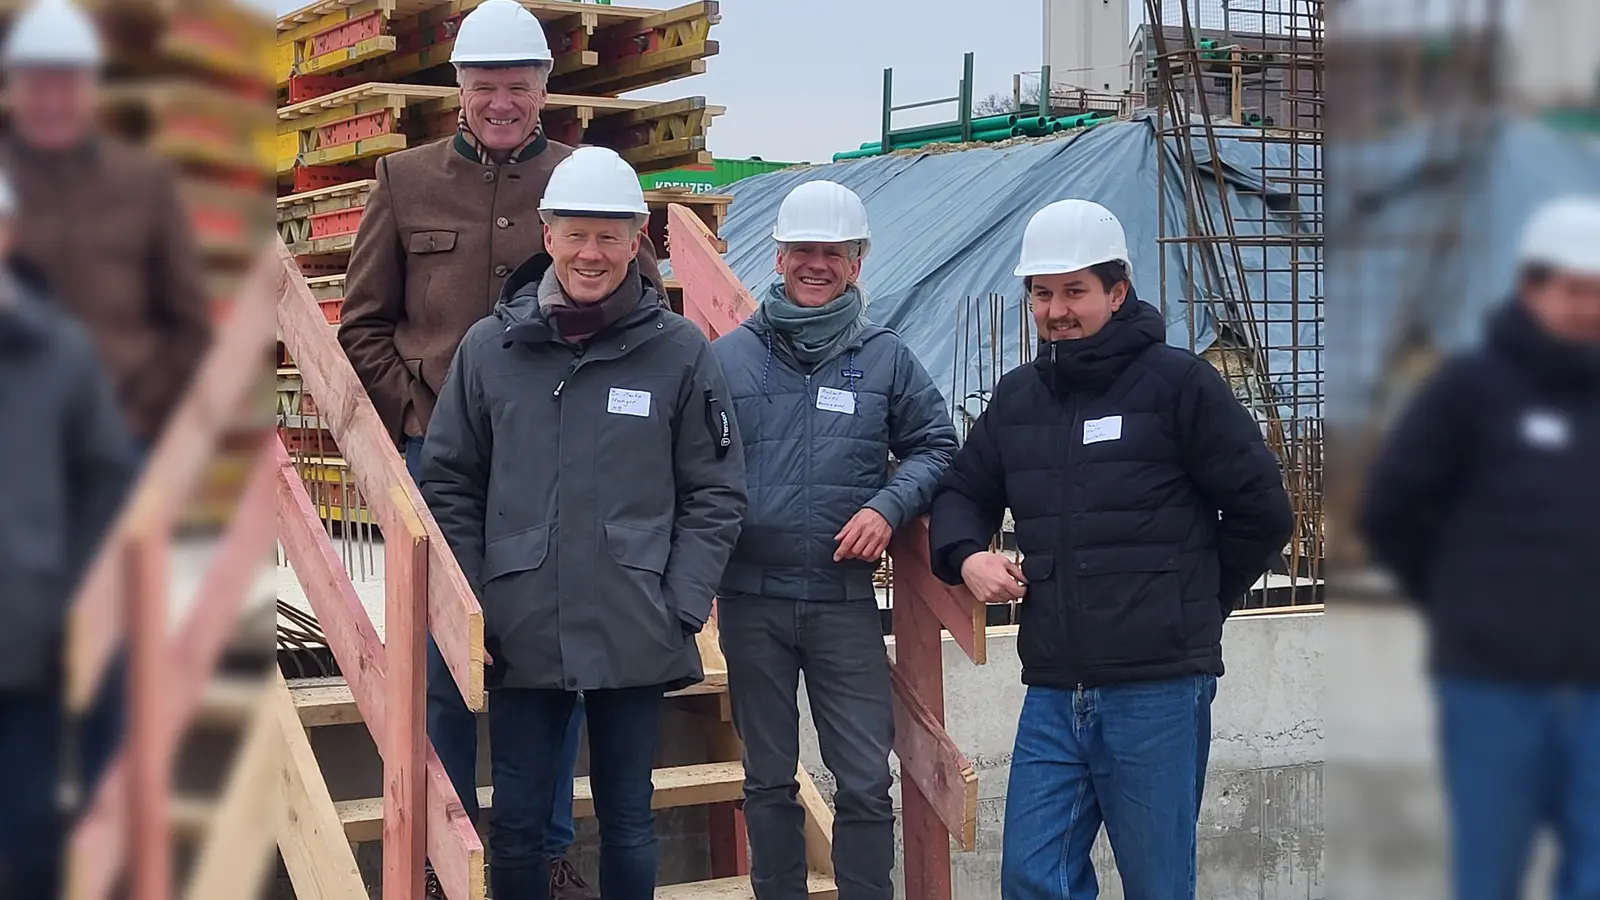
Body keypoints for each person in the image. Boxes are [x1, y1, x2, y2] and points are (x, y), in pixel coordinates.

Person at [337, 3, 662, 893]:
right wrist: (419, 418)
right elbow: (362, 326)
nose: (502, 103)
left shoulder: (582, 179)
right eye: (486, 87)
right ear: (461, 91)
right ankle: (448, 853)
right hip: (438, 465)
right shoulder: (403, 180)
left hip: (554, 472)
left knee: (547, 657)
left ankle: (547, 850)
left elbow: (650, 317)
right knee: (446, 665)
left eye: (519, 87)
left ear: (545, 90)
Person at [928, 199, 1294, 900]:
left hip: (1156, 690)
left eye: (1075, 291)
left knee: (1157, 882)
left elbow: (1263, 509)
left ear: (1117, 291)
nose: (1057, 310)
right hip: (1056, 690)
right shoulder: (1019, 400)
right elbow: (959, 493)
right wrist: (968, 556)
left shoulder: (1178, 385)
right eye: (1043, 293)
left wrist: (1196, 601)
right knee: (1034, 878)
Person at [419, 145, 745, 900]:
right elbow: (449, 483)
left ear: (639, 240)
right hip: (519, 624)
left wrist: (682, 604)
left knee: (631, 818)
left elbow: (716, 490)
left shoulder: (679, 353)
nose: (590, 253)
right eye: (575, 233)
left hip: (638, 621)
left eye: (609, 235)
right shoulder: (490, 350)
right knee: (521, 826)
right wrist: (475, 605)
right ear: (546, 233)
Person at [710, 180, 957, 900]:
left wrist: (888, 506)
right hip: (750, 598)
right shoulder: (727, 361)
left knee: (861, 780)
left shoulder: (885, 358)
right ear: (779, 258)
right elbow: (688, 467)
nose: (817, 264)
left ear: (856, 264)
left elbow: (936, 446)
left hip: (840, 600)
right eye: (803, 252)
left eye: (834, 253)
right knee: (766, 777)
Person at [0, 0, 212, 815]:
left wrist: (138, 433)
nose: (52, 100)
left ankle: (106, 842)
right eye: (35, 85)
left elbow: (189, 328)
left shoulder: (142, 183)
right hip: (14, 465)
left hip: (112, 464)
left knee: (111, 669)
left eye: (66, 84)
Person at [1359, 195, 1600, 900]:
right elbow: (1391, 509)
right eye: (1575, 291)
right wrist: (1459, 598)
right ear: (1531, 288)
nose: (1590, 308)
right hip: (1494, 687)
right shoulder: (1470, 389)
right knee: (1490, 871)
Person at [0, 167, 137, 899]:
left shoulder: (60, 355)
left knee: (26, 831)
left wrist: (75, 597)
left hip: (26, 641)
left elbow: (105, 484)